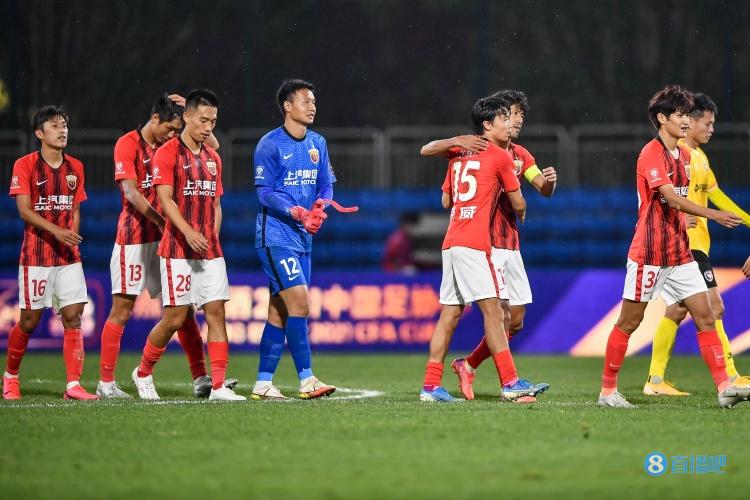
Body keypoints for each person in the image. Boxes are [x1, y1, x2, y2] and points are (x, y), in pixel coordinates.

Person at [597, 85, 748, 409]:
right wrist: (712, 214)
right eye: (679, 114)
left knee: (706, 314)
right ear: (662, 118)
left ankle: (724, 387)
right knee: (629, 322)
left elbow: (674, 205)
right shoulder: (651, 153)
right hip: (649, 254)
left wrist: (684, 222)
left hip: (680, 253)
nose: (685, 120)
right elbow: (669, 196)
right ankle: (608, 392)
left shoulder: (685, 156)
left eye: (686, 114)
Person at [421, 89, 556, 400]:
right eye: (506, 117)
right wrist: (513, 203)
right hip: (480, 244)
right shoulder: (500, 156)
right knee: (496, 314)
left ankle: (434, 384)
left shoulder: (462, 156)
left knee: (463, 315)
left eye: (515, 117)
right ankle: (509, 382)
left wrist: (549, 182)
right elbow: (520, 201)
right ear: (488, 124)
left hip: (455, 240)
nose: (512, 122)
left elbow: (445, 199)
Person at [97, 94, 227, 399]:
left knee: (184, 312)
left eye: (177, 128)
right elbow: (130, 192)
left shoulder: (179, 146)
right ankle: (106, 382)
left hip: (170, 239)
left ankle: (201, 378)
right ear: (155, 119)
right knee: (123, 308)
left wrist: (196, 115)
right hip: (135, 239)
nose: (172, 133)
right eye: (170, 127)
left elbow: (213, 149)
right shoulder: (128, 144)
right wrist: (165, 221)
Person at [131, 89, 244, 401]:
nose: (208, 126)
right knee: (176, 318)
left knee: (216, 313)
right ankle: (142, 372)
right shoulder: (167, 153)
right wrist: (189, 232)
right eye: (203, 120)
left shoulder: (213, 159)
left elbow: (217, 204)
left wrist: (212, 236)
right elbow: (165, 200)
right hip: (178, 251)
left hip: (210, 252)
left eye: (214, 121)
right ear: (187, 118)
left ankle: (219, 387)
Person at [644, 93, 750, 396]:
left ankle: (655, 381)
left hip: (700, 244)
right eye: (707, 122)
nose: (711, 128)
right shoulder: (676, 157)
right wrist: (678, 217)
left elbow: (718, 198)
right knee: (714, 307)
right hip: (687, 244)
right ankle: (730, 376)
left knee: (677, 310)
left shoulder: (699, 158)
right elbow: (667, 196)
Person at [3, 105, 97, 400]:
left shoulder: (76, 168)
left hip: (68, 257)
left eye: (65, 125)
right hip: (36, 255)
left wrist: (72, 237)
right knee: (29, 320)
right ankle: (10, 378)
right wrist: (57, 231)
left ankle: (73, 385)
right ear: (39, 133)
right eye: (55, 126)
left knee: (74, 316)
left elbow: (75, 208)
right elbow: (24, 211)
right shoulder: (25, 165)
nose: (63, 130)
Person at [252, 79, 337, 400]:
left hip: (303, 239)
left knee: (280, 311)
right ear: (288, 106)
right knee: (300, 302)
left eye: (314, 101)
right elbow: (264, 193)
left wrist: (319, 207)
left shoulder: (318, 143)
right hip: (275, 236)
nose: (312, 106)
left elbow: (326, 185)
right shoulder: (270, 145)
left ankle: (263, 383)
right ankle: (307, 379)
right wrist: (298, 212)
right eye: (305, 101)